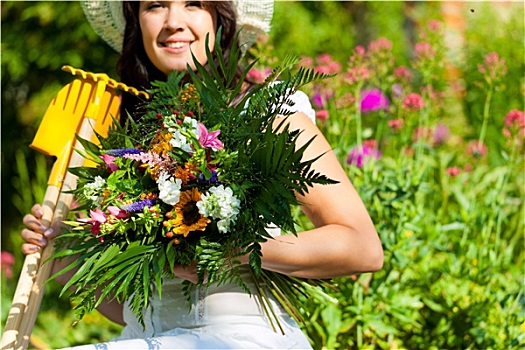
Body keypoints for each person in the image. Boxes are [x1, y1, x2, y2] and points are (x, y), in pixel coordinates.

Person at [21, 1, 383, 348]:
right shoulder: (124, 143)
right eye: (154, 5)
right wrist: (63, 252)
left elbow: (362, 248)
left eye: (193, 2)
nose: (173, 21)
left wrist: (237, 252)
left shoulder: (270, 116)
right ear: (136, 23)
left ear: (221, 18)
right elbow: (136, 312)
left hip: (238, 342)